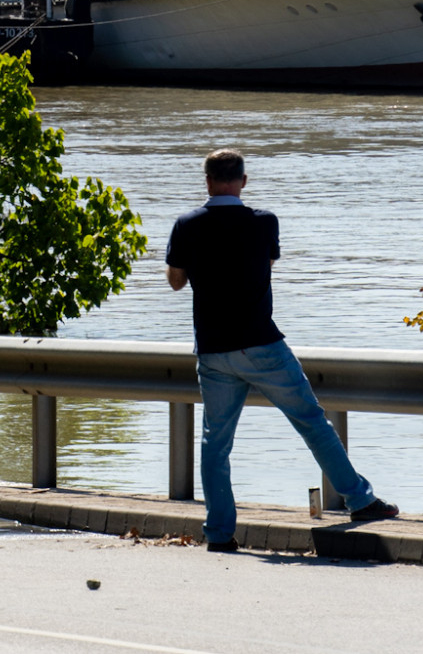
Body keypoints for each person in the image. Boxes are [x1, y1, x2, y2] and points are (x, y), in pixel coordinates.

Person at [165, 148, 399, 553]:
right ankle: (359, 500)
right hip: (262, 343)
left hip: (214, 350)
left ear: (206, 181)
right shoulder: (263, 222)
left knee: (215, 445)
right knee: (311, 421)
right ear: (243, 180)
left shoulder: (186, 225)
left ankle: (219, 534)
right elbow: (266, 264)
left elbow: (175, 282)